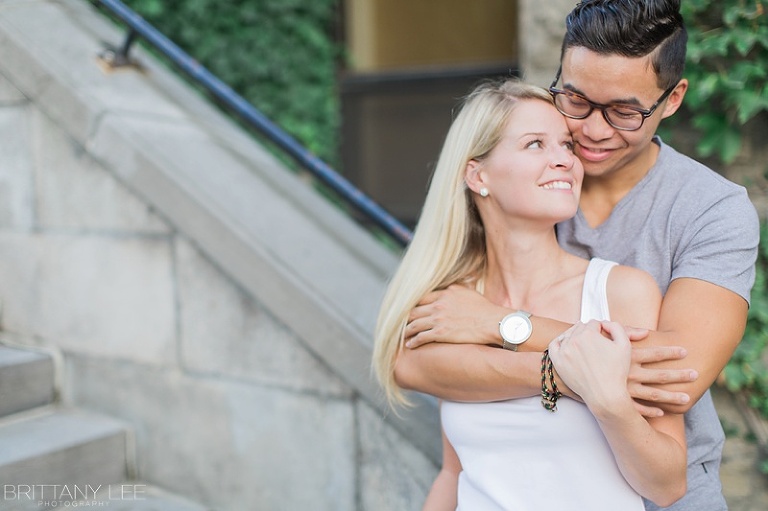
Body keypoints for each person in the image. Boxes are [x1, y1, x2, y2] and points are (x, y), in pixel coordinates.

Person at [396, 1, 760, 510]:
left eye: (624, 111)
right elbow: (412, 364)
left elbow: (674, 376)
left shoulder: (711, 211)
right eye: (576, 99)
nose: (590, 130)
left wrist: (501, 326)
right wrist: (566, 372)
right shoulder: (531, 190)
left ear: (672, 99)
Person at [373, 78, 687, 510]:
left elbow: (667, 485)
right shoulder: (454, 306)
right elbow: (454, 471)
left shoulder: (620, 291)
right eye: (536, 144)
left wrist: (608, 400)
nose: (564, 161)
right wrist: (568, 374)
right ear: (478, 174)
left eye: (566, 146)